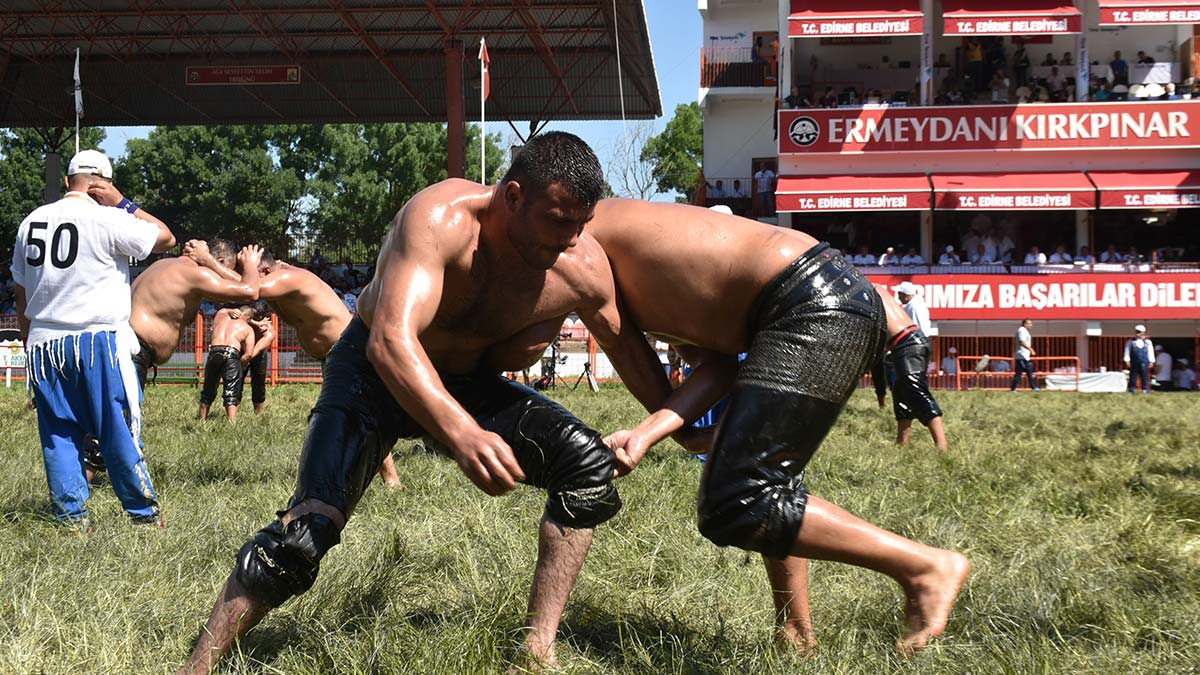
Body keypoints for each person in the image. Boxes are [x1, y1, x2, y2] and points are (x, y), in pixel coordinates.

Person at [180, 132, 672, 674]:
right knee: (305, 534)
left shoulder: (578, 262)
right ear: (512, 197)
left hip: (465, 380)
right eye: (557, 220)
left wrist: (679, 423)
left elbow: (627, 346)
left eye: (580, 224)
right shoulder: (439, 219)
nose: (570, 239)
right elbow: (390, 340)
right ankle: (199, 664)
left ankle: (537, 652)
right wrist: (462, 434)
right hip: (370, 371)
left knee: (584, 465)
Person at [586, 201, 968, 654]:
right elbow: (715, 366)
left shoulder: (573, 246)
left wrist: (651, 431)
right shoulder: (655, 269)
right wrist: (660, 432)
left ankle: (924, 566)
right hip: (818, 296)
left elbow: (617, 338)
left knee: (737, 501)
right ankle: (796, 633)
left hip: (812, 302)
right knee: (765, 481)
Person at [10, 149, 175, 527]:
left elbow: (21, 291)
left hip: (44, 343)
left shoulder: (30, 221)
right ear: (105, 182)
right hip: (97, 340)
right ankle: (143, 513)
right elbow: (166, 238)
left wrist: (28, 342)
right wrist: (122, 202)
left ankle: (71, 520)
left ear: (68, 182)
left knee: (59, 434)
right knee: (116, 427)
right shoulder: (108, 218)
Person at [192, 249, 400, 485]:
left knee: (359, 413)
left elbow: (247, 290)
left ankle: (390, 479)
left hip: (349, 350)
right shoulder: (278, 278)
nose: (245, 278)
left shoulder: (289, 279)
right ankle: (346, 474)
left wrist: (207, 260)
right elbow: (242, 286)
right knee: (345, 416)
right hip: (335, 354)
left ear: (267, 272)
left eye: (250, 271)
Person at [129, 239, 261, 389]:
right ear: (219, 261)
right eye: (225, 270)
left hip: (126, 344)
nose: (222, 276)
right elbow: (251, 291)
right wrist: (250, 263)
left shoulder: (163, 264)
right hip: (133, 349)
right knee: (121, 411)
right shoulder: (197, 274)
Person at [888, 281, 948, 450]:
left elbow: (921, 330)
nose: (898, 295)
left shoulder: (915, 306)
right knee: (901, 393)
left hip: (911, 345)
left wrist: (921, 351)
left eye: (900, 293)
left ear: (907, 294)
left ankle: (941, 445)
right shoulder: (909, 306)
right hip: (903, 347)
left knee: (915, 390)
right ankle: (901, 443)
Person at [199, 305, 273, 422]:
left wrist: (240, 363)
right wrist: (238, 363)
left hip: (221, 351)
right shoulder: (245, 326)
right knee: (233, 387)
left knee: (257, 383)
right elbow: (248, 352)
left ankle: (202, 420)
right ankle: (232, 421)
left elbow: (255, 351)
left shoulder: (223, 318)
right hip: (235, 351)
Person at [1011, 319, 1039, 391]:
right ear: (1025, 324)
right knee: (1019, 373)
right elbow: (1022, 342)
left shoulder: (1025, 331)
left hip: (1025, 356)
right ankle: (1013, 388)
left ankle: (1034, 387)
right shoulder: (1022, 330)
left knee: (1029, 372)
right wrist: (1030, 349)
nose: (1031, 325)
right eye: (1030, 324)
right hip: (1021, 356)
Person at [1124, 325, 1154, 393]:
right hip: (1134, 362)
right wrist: (1127, 360)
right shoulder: (1131, 341)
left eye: (1141, 332)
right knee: (1133, 376)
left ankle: (1145, 390)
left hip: (1145, 362)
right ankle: (1132, 390)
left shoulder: (1148, 342)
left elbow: (1150, 352)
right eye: (1138, 332)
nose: (1140, 334)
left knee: (1145, 376)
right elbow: (1127, 351)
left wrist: (1151, 361)